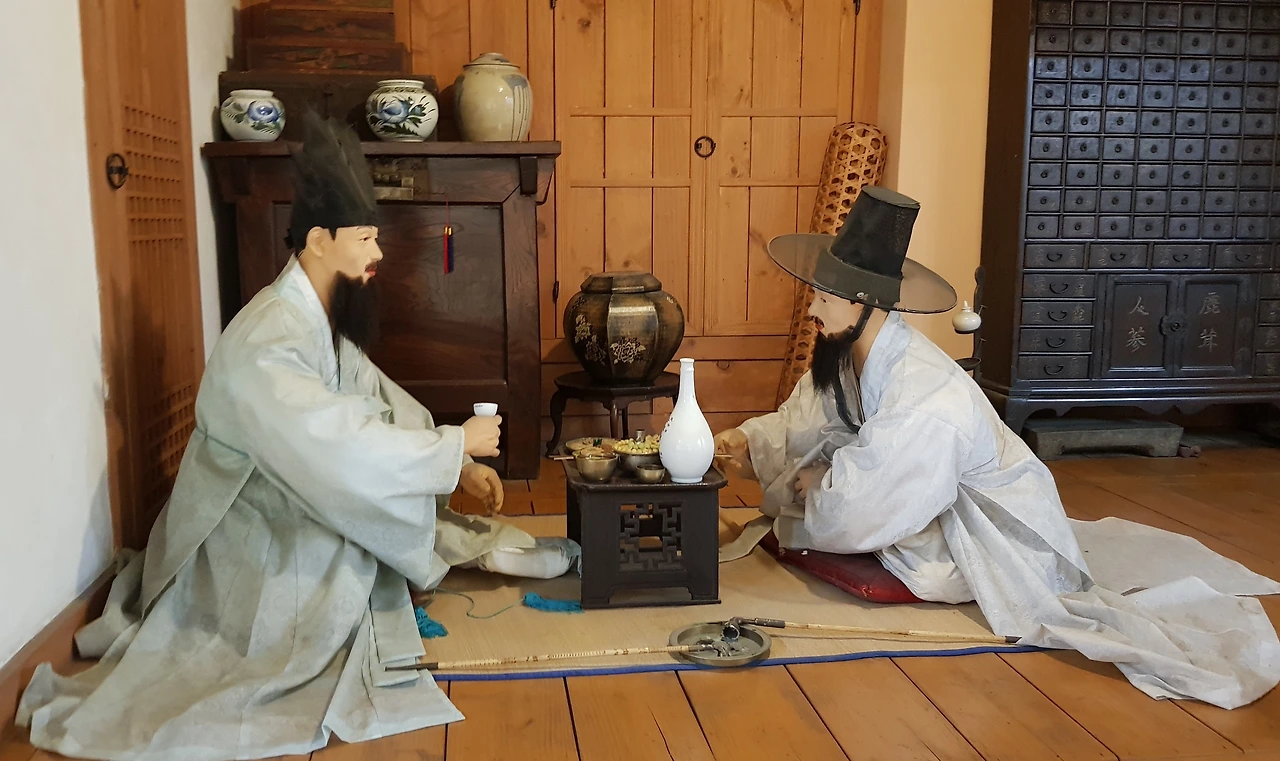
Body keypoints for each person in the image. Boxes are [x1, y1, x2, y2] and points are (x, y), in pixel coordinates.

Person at [18, 113, 578, 761]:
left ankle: (477, 551)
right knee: (344, 556)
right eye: (364, 238)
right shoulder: (267, 339)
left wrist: (451, 462)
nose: (377, 254)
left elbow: (375, 400)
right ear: (317, 240)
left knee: (391, 516)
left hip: (301, 488)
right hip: (252, 531)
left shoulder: (318, 321)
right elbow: (336, 440)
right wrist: (452, 449)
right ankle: (462, 556)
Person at [714, 185, 1280, 709]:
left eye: (823, 299)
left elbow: (858, 511)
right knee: (824, 507)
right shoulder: (848, 356)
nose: (812, 310)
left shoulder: (922, 397)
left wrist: (818, 485)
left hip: (987, 520)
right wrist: (750, 440)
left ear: (865, 305)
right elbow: (804, 421)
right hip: (910, 491)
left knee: (922, 567)